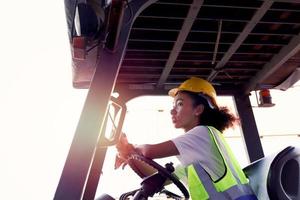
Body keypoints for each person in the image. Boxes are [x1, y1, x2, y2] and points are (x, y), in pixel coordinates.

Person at [115, 77, 258, 200]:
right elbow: (156, 178)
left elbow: (148, 152)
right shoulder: (193, 159)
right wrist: (128, 154)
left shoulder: (202, 133)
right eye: (174, 105)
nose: (172, 110)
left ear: (198, 109)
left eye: (180, 104)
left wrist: (130, 147)